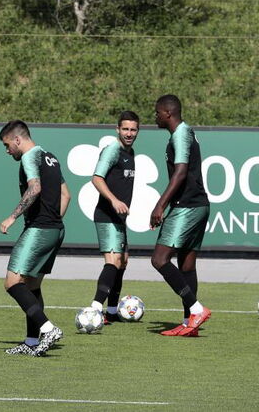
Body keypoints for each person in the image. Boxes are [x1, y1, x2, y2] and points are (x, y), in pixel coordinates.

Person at [0, 120, 70, 357]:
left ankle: (48, 329)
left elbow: (35, 188)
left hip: (40, 229)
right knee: (32, 285)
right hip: (55, 229)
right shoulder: (50, 157)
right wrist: (53, 220)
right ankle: (31, 342)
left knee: (12, 282)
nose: (7, 151)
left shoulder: (30, 157)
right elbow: (66, 195)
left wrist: (12, 217)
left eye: (8, 145)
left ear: (18, 140)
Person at [150, 94, 211, 337]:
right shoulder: (185, 133)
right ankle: (190, 324)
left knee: (159, 259)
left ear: (167, 113)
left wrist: (160, 205)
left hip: (187, 206)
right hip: (199, 205)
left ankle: (196, 309)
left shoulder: (181, 134)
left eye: (157, 113)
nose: (155, 116)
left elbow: (181, 172)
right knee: (186, 265)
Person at [88, 111, 139, 323]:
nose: (129, 133)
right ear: (117, 129)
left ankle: (111, 312)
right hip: (106, 215)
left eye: (133, 129)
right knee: (114, 260)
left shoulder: (130, 152)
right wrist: (114, 200)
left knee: (123, 261)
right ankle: (95, 309)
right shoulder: (112, 150)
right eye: (125, 129)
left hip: (119, 219)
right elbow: (97, 178)